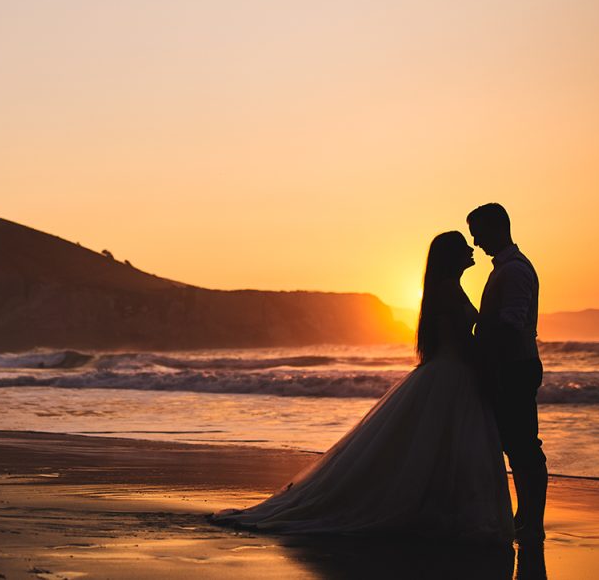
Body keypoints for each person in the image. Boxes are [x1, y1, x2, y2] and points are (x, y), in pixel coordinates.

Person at [210, 231, 513, 542]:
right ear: (452, 256)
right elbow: (463, 342)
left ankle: (439, 510)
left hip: (447, 374)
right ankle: (446, 513)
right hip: (454, 376)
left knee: (439, 448)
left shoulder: (447, 288)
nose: (471, 248)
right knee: (449, 448)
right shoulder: (448, 290)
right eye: (463, 245)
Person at [467, 203, 547, 543]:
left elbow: (511, 323)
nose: (476, 242)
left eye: (479, 233)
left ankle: (532, 521)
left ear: (499, 228)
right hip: (510, 366)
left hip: (514, 367)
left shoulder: (514, 270)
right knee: (515, 445)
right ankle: (524, 516)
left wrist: (478, 344)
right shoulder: (505, 267)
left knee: (524, 446)